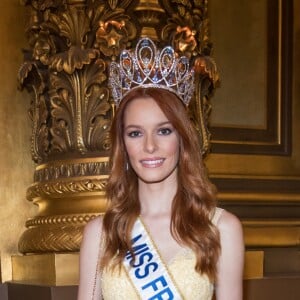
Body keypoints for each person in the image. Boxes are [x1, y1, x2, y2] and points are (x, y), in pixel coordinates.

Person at [77, 37, 244, 300]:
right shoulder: (100, 233)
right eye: (135, 133)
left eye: (164, 131)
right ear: (123, 144)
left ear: (182, 138)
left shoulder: (221, 228)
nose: (150, 146)